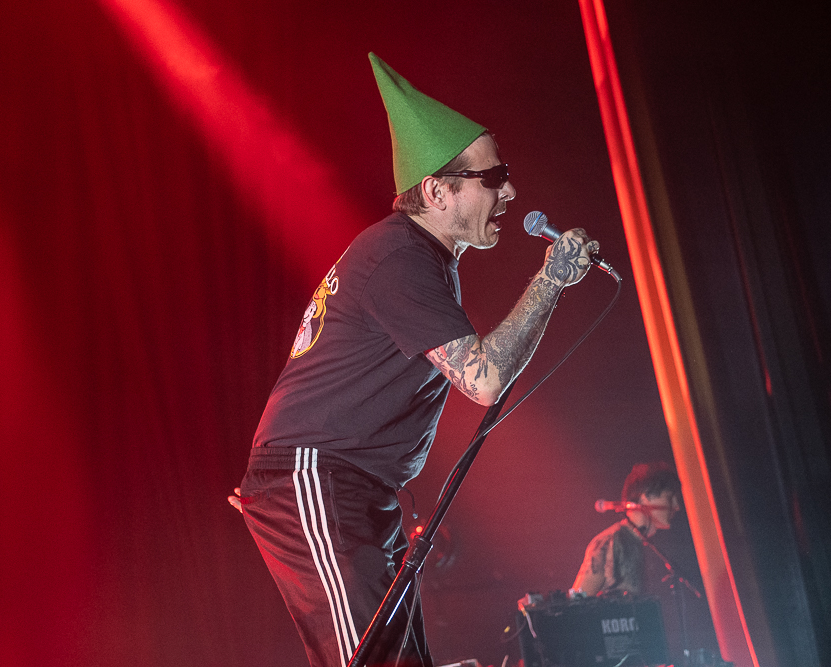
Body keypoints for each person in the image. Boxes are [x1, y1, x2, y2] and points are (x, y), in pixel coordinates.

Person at [230, 53, 601, 667]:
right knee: (375, 660)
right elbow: (483, 379)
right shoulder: (399, 258)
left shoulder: (418, 258)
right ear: (436, 190)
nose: (509, 191)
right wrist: (551, 280)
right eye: (492, 177)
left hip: (347, 485)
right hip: (319, 475)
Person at [571, 462, 682, 597]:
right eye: (670, 498)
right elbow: (577, 602)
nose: (677, 506)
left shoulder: (650, 547)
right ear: (646, 496)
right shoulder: (610, 541)